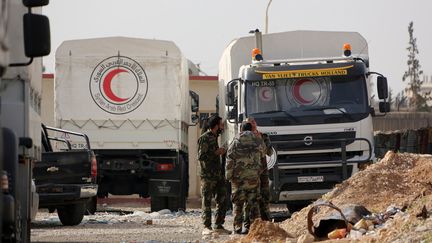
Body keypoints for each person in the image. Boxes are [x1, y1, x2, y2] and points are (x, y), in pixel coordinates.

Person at [226, 122, 264, 234]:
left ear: (241, 130)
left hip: (238, 180)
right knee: (253, 203)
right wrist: (257, 173)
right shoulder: (258, 141)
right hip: (253, 179)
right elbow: (263, 158)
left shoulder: (235, 141)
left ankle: (237, 228)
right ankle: (254, 228)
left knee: (238, 204)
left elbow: (229, 159)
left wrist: (229, 176)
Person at [197, 115, 230, 235]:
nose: (222, 127)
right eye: (221, 124)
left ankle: (219, 225)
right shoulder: (204, 138)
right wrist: (216, 152)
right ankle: (207, 226)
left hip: (217, 175)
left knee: (223, 199)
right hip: (207, 176)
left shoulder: (215, 137)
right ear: (216, 126)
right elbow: (201, 156)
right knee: (207, 201)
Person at [243, 117, 274, 230]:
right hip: (249, 172)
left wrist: (261, 141)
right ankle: (250, 223)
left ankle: (266, 221)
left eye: (253, 122)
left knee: (265, 195)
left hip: (262, 171)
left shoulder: (263, 136)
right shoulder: (243, 138)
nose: (252, 124)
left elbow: (270, 152)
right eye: (249, 123)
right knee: (250, 197)